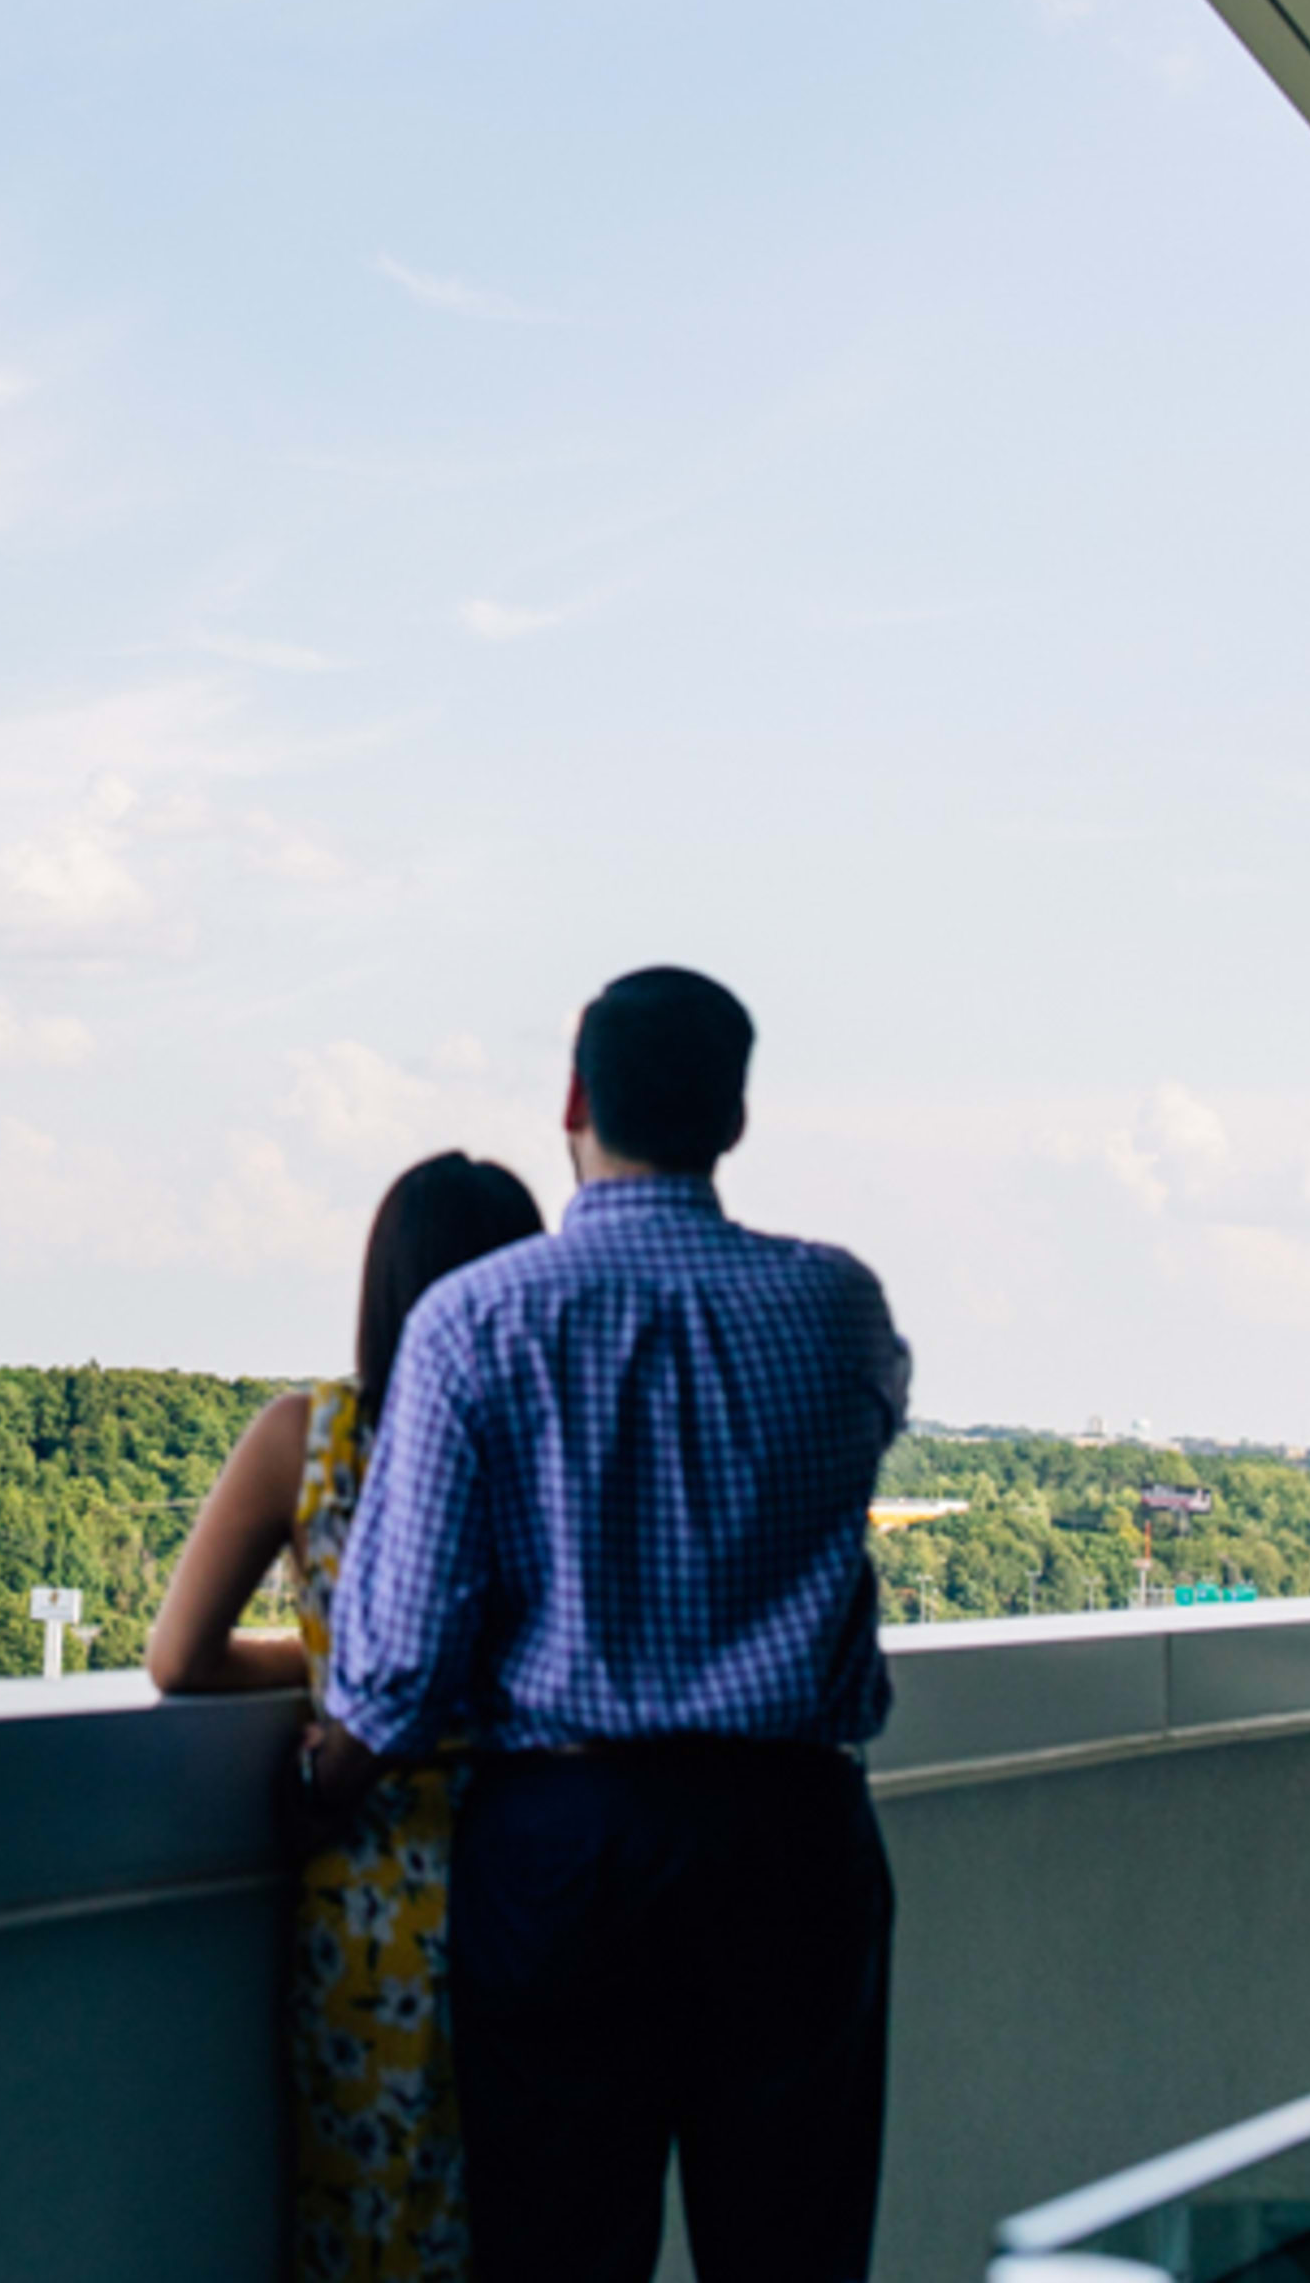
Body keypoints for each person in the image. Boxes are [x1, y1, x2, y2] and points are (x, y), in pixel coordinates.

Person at [314, 968, 913, 2283]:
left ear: (577, 1100)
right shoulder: (837, 1305)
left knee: (561, 2253)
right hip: (793, 1839)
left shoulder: (476, 1318)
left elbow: (399, 1667)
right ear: (735, 1117)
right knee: (796, 2251)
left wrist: (326, 1772)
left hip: (566, 1852)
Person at [150, 1150, 549, 2283]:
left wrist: (324, 1664)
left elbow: (179, 1659)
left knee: (371, 2229)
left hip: (373, 1882)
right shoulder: (553, 1450)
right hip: (544, 1875)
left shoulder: (309, 1440)